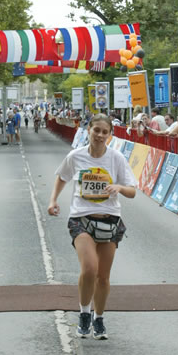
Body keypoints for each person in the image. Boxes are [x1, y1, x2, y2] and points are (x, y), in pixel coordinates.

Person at [47, 113, 137, 340]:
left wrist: (119, 187)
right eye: (96, 130)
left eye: (105, 132)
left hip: (110, 220)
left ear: (110, 135)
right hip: (82, 219)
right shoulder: (76, 156)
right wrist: (53, 200)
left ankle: (99, 318)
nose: (100, 135)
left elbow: (132, 191)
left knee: (103, 277)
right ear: (88, 130)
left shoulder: (116, 158)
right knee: (89, 269)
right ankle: (84, 313)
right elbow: (62, 176)